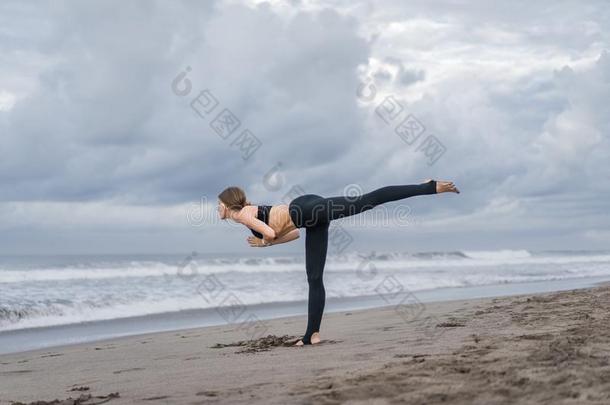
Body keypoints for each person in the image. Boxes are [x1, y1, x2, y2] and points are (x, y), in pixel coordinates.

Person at [217, 179, 460, 346]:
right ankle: (312, 334)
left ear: (227, 205)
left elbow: (269, 234)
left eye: (219, 203)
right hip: (308, 219)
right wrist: (269, 241)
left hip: (306, 208)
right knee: (314, 278)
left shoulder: (242, 214)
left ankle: (429, 186)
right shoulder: (247, 215)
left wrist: (264, 243)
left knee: (366, 201)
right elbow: (293, 234)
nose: (217, 208)